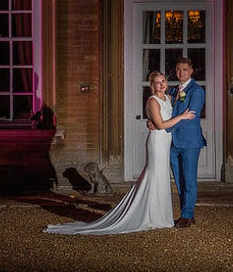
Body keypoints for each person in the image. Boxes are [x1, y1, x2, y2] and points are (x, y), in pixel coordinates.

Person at [43, 70, 190, 235]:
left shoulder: (169, 98)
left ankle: (160, 217)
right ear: (152, 85)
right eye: (157, 82)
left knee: (162, 177)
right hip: (156, 142)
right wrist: (182, 117)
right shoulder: (152, 101)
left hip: (166, 142)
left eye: (163, 81)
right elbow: (161, 125)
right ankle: (146, 215)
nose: (161, 84)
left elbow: (171, 112)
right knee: (153, 175)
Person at [168, 57, 205, 227]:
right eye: (178, 70)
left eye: (184, 70)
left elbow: (191, 116)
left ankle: (187, 215)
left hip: (190, 142)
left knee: (189, 180)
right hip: (173, 143)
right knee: (179, 180)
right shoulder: (175, 91)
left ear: (191, 71)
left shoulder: (196, 91)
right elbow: (168, 113)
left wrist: (164, 128)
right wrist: (153, 122)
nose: (180, 73)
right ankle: (186, 212)